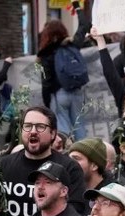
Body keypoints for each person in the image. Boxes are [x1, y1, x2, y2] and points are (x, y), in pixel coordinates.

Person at [0, 106, 87, 216]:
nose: (33, 131)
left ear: (53, 133)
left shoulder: (69, 168)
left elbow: (76, 211)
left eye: (40, 127)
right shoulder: (4, 164)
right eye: (28, 126)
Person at [36, 1, 91, 140]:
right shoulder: (72, 45)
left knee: (63, 131)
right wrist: (77, 6)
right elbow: (84, 25)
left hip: (59, 95)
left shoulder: (46, 53)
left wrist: (47, 103)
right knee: (80, 129)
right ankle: (83, 157)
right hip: (77, 92)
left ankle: (65, 158)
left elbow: (46, 82)